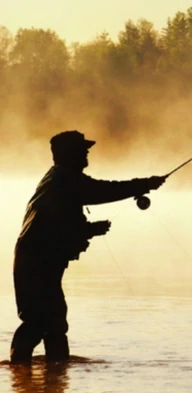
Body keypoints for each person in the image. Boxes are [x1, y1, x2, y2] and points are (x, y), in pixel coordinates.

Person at [10, 130, 167, 365]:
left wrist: (89, 229)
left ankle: (53, 376)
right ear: (67, 153)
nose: (86, 153)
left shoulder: (57, 178)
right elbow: (102, 191)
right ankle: (20, 373)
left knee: (53, 322)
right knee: (38, 321)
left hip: (37, 259)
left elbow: (58, 222)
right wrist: (144, 184)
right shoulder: (65, 178)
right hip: (36, 261)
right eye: (82, 150)